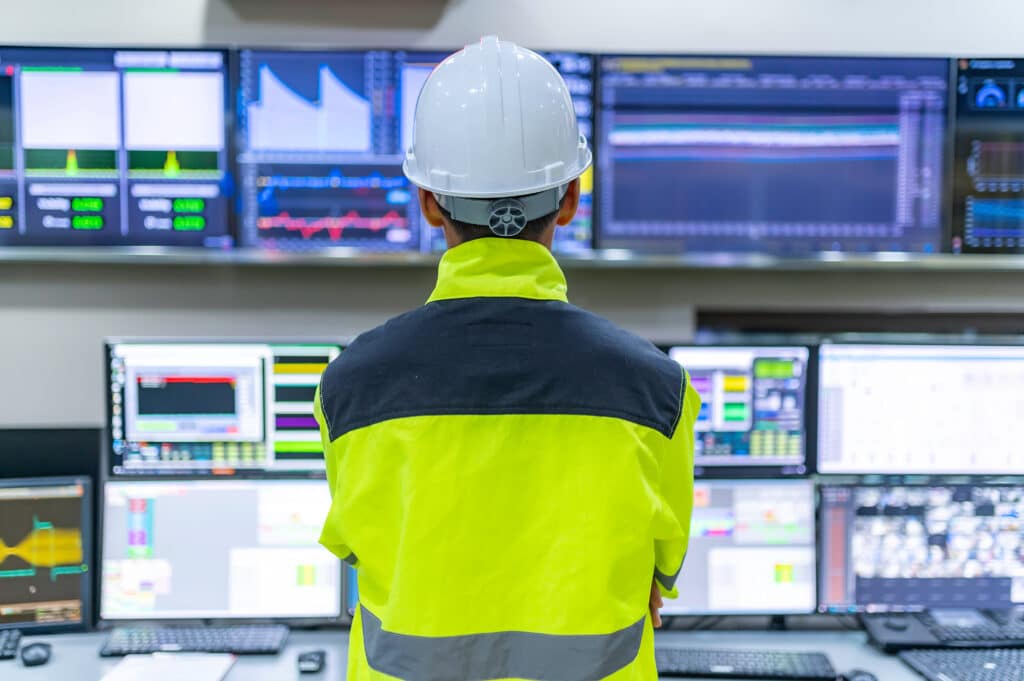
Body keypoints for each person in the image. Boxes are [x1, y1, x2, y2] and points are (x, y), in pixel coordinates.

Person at [315, 36, 700, 681]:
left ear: (428, 202)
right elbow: (661, 569)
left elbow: (358, 549)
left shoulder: (349, 389)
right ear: (571, 198)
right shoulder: (657, 392)